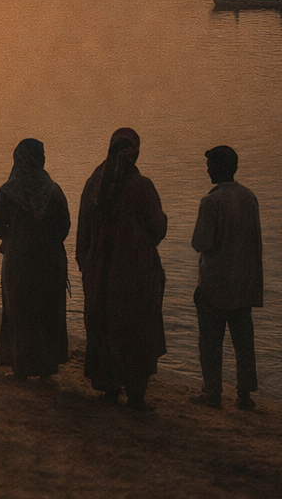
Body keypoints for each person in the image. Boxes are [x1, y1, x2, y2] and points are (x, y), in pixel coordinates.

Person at [76, 127, 168, 411]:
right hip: (135, 272)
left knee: (104, 324)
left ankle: (109, 385)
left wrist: (87, 264)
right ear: (135, 153)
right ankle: (136, 392)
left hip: (100, 272)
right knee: (136, 326)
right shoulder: (141, 186)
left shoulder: (94, 183)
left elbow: (82, 232)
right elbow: (157, 228)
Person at [189, 145, 262, 410]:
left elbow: (201, 242)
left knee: (211, 343)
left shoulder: (211, 201)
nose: (206, 168)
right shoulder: (249, 197)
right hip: (243, 283)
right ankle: (245, 395)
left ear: (219, 168)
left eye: (209, 164)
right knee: (244, 343)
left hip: (215, 283)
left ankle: (212, 392)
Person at [0, 138, 71, 381]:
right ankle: (47, 368)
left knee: (20, 312)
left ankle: (21, 368)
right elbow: (65, 226)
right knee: (47, 311)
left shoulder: (7, 192)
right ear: (40, 159)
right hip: (50, 260)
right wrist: (46, 242)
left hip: (18, 261)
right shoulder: (54, 190)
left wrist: (16, 239)